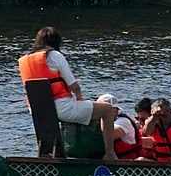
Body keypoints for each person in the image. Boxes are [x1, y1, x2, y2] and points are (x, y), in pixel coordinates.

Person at [17, 28, 120, 161]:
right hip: (61, 108)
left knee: (88, 109)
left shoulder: (23, 60)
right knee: (106, 109)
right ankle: (110, 154)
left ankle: (52, 155)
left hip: (38, 112)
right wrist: (79, 97)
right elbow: (73, 85)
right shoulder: (55, 55)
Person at [138, 99, 171, 174]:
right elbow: (147, 132)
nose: (162, 119)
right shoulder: (152, 123)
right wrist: (154, 117)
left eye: (165, 116)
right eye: (159, 116)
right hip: (161, 166)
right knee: (140, 160)